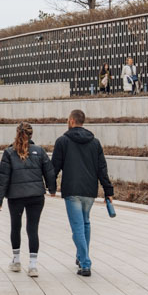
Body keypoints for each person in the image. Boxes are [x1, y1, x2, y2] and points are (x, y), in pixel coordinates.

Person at [51, 109, 114, 278]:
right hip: (89, 191)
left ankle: (85, 264)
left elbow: (54, 167)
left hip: (72, 190)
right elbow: (102, 168)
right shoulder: (95, 143)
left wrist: (50, 187)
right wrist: (108, 191)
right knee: (85, 223)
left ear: (71, 121)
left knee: (78, 227)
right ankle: (80, 256)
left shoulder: (62, 141)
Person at [0, 122, 56, 277]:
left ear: (17, 133)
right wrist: (52, 189)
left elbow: (3, 178)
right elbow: (49, 172)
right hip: (36, 196)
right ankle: (33, 265)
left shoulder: (9, 152)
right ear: (31, 135)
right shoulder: (39, 151)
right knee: (32, 228)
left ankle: (16, 261)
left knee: (16, 227)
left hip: (16, 196)